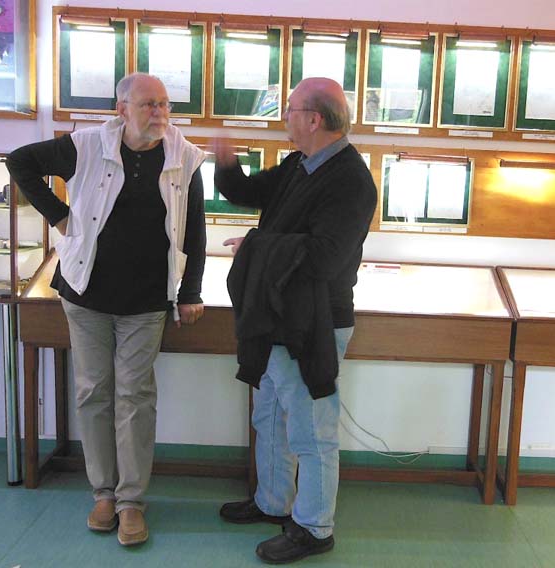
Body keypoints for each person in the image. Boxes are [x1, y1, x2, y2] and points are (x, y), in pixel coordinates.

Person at [6, 73, 206, 546]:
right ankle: (103, 493)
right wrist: (58, 215)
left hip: (147, 299)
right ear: (122, 109)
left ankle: (131, 501)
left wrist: (191, 291)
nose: (159, 113)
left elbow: (192, 229)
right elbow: (19, 161)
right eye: (148, 104)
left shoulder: (185, 157)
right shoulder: (86, 145)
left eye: (164, 104)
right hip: (86, 294)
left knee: (135, 396)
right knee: (93, 392)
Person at [214, 77, 377, 564]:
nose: (284, 117)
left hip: (314, 321)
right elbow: (245, 191)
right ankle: (273, 502)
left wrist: (256, 247)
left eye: (290, 110)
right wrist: (225, 157)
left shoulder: (350, 180)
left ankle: (314, 527)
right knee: (269, 414)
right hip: (278, 309)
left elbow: (325, 257)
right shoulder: (300, 164)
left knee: (311, 427)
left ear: (314, 119)